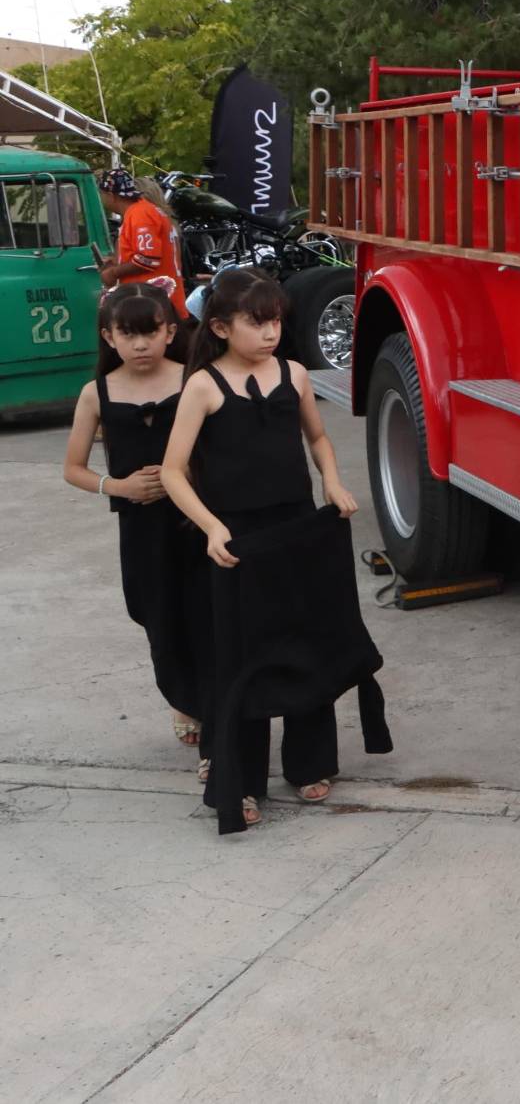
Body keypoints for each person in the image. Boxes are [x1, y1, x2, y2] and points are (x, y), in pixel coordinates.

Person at [159, 269, 360, 827]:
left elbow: (317, 436)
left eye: (275, 321)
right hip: (236, 539)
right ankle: (241, 781)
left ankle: (308, 761)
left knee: (302, 641)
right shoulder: (203, 386)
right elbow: (173, 471)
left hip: (295, 530)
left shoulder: (294, 373)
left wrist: (331, 480)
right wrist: (210, 527)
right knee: (240, 657)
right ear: (221, 328)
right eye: (257, 322)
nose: (271, 332)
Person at [60, 284, 205, 754]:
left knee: (207, 614)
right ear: (109, 337)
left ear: (170, 332)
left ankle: (210, 711)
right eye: (128, 334)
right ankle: (182, 699)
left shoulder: (195, 380)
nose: (140, 345)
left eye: (150, 332)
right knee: (157, 616)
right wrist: (120, 486)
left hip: (198, 520)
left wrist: (187, 477)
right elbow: (73, 469)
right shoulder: (96, 394)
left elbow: (224, 447)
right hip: (141, 529)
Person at [96, 169, 188, 318]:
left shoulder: (141, 214)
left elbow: (148, 259)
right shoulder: (140, 212)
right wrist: (115, 262)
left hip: (155, 306)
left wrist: (112, 273)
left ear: (111, 195)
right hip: (155, 303)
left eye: (101, 194)